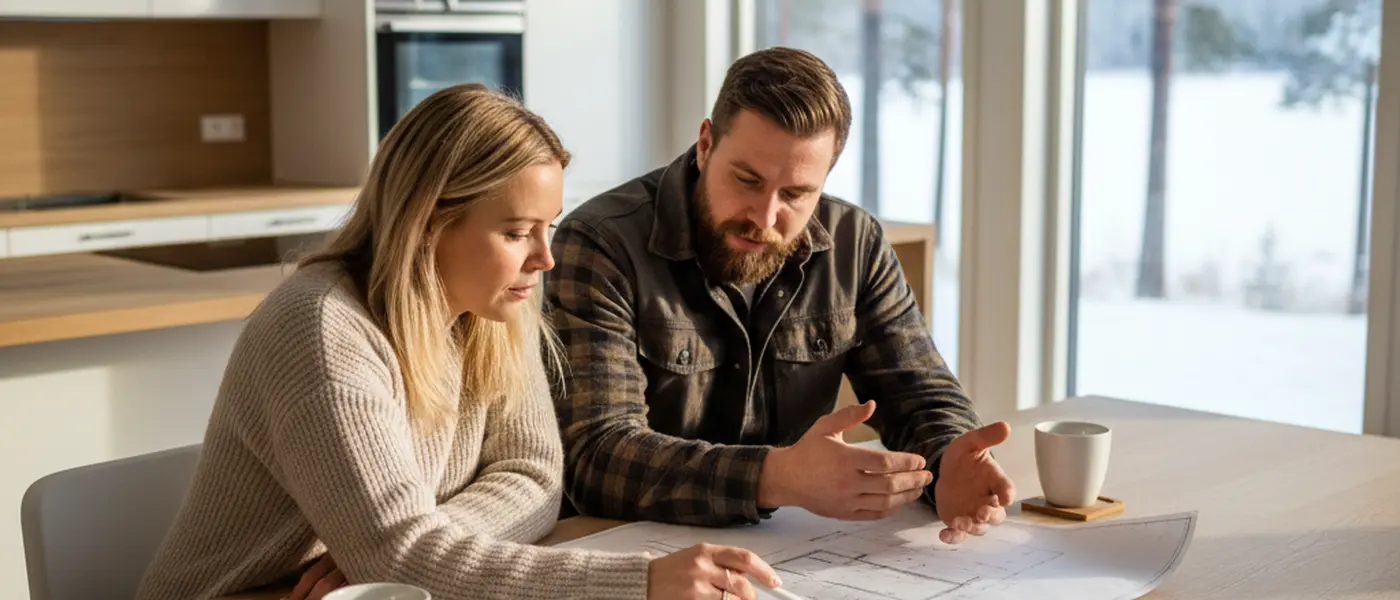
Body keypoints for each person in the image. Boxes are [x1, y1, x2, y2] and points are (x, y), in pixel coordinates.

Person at [135, 84, 783, 600]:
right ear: (429, 224)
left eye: (548, 226)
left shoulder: (491, 309)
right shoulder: (322, 331)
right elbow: (398, 557)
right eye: (516, 231)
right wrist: (638, 582)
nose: (545, 259)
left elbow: (534, 478)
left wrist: (415, 545)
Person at [547, 47, 1016, 544]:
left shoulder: (855, 243)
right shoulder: (601, 241)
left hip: (786, 552)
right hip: (624, 550)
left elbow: (921, 394)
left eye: (795, 194)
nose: (764, 216)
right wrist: (777, 477)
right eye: (746, 180)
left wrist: (950, 461)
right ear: (706, 145)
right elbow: (596, 456)